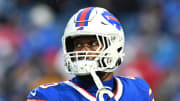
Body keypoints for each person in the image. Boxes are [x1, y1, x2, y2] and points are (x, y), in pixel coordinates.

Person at [27, 7, 155, 101]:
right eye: (78, 45)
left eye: (93, 43)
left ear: (115, 46)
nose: (83, 51)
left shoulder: (139, 90)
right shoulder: (48, 96)